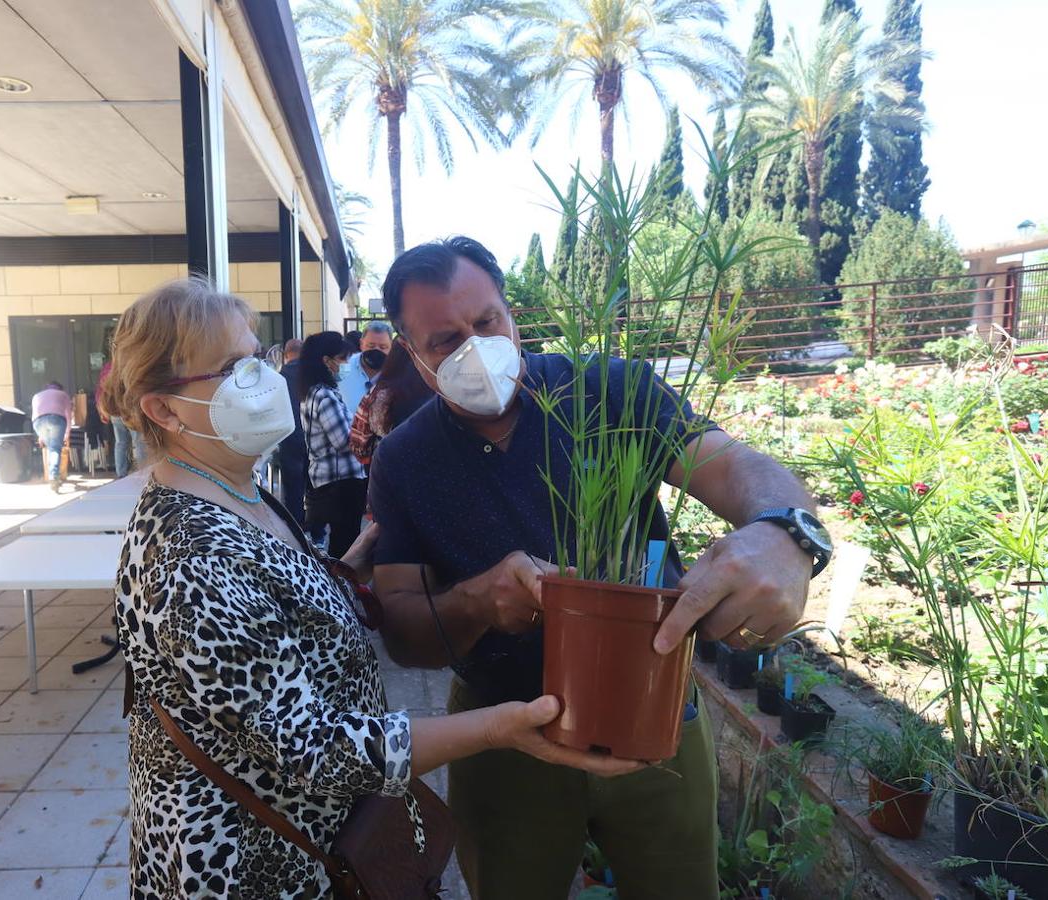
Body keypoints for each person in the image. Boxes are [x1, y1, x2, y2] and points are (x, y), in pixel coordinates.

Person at [96, 277, 642, 899]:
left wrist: (342, 573)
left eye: (258, 356)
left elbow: (272, 612)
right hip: (253, 863)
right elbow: (313, 751)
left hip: (317, 838)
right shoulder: (188, 551)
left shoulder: (238, 490)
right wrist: (498, 729)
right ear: (163, 409)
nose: (265, 377)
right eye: (231, 368)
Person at [370, 237, 828, 900]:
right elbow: (403, 628)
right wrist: (476, 600)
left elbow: (728, 465)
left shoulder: (607, 390)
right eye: (444, 340)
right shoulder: (405, 460)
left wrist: (786, 532)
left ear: (511, 313)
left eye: (486, 322)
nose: (475, 347)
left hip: (652, 705)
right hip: (504, 732)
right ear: (412, 354)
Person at [298, 331, 369, 559]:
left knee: (341, 542)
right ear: (327, 361)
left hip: (329, 482)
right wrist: (367, 433)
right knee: (345, 546)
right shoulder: (325, 395)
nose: (347, 364)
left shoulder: (312, 392)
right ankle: (345, 589)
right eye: (342, 359)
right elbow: (342, 440)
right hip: (342, 483)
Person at [348, 340, 432, 470]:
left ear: (393, 358)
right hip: (428, 466)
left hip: (385, 467)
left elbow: (360, 442)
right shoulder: (438, 392)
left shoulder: (380, 393)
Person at [274, 337, 312, 532]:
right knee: (313, 485)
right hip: (313, 435)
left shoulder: (280, 376)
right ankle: (317, 530)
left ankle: (294, 528)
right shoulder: (311, 372)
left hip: (289, 436)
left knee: (293, 487)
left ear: (286, 355)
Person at [97, 360, 143, 477]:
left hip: (115, 410)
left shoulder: (108, 367)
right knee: (138, 441)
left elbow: (100, 390)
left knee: (120, 442)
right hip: (130, 408)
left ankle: (121, 473)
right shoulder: (131, 363)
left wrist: (102, 410)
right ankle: (143, 472)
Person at [338, 321, 393, 416]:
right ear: (361, 344)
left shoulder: (398, 371)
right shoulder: (344, 367)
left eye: (383, 347)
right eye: (371, 346)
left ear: (391, 347)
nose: (377, 350)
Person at [30, 380, 71, 491]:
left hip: (38, 422)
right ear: (59, 388)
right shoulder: (63, 395)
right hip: (56, 419)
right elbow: (68, 415)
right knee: (55, 449)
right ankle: (54, 476)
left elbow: (35, 414)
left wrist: (40, 436)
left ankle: (53, 474)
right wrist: (67, 433)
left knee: (51, 449)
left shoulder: (37, 396)